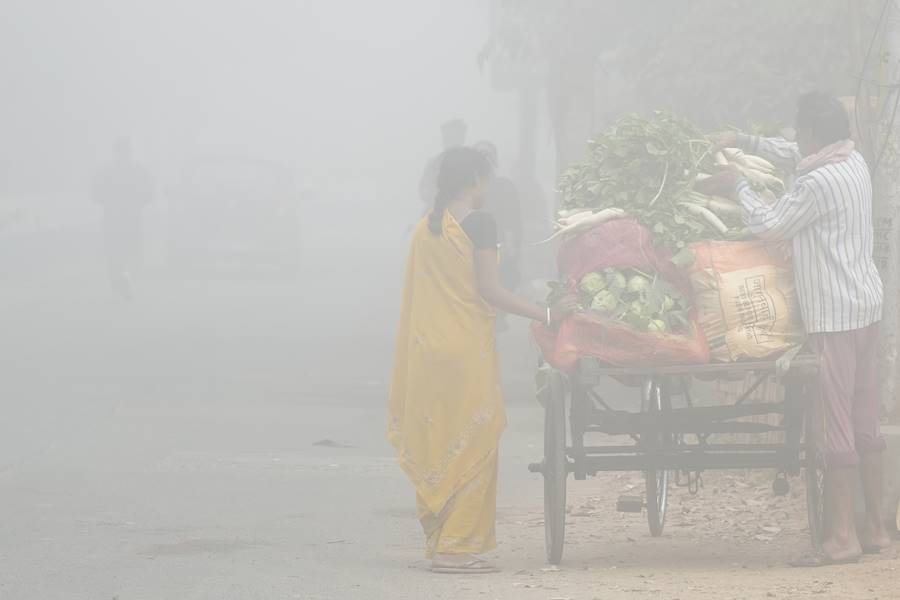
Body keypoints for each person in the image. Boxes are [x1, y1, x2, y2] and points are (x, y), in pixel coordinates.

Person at [701, 91, 889, 566]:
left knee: (838, 425)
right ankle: (878, 531)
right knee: (865, 420)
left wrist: (738, 186)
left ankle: (842, 537)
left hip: (835, 315)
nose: (795, 139)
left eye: (799, 130)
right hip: (867, 305)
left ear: (812, 134)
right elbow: (792, 151)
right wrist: (742, 139)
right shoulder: (853, 161)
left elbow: (770, 224)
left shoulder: (818, 183)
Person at [389, 146, 575, 574]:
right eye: (487, 179)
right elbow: (490, 290)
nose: (489, 187)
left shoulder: (426, 228)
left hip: (427, 352)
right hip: (463, 351)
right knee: (475, 439)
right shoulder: (482, 224)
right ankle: (457, 548)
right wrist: (547, 314)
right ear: (474, 179)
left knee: (440, 439)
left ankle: (441, 541)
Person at [92, 137, 154, 300]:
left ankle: (120, 280)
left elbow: (95, 194)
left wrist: (109, 201)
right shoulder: (139, 171)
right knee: (128, 252)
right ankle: (124, 280)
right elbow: (150, 193)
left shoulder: (106, 171)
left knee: (115, 252)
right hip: (131, 219)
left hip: (113, 219)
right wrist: (137, 201)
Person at [418, 119, 467, 216]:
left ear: (462, 138)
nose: (448, 140)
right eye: (447, 137)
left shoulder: (472, 162)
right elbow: (423, 189)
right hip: (437, 211)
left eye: (454, 137)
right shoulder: (433, 163)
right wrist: (435, 195)